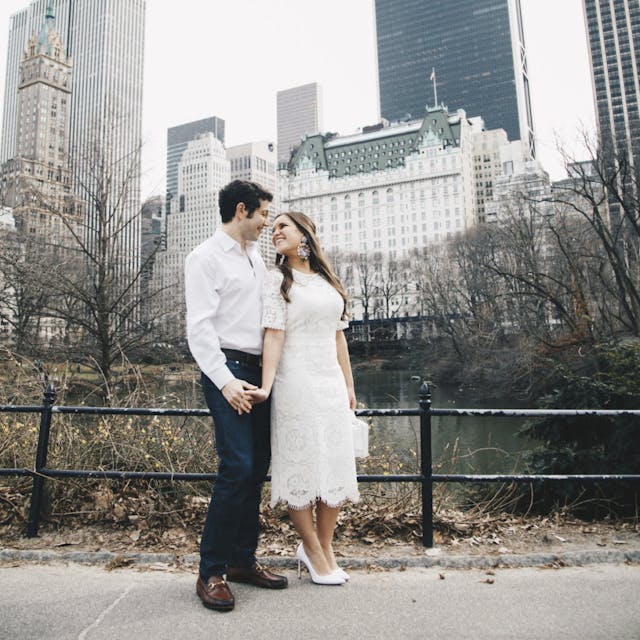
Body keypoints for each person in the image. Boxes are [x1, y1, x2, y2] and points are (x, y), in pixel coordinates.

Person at [184, 180, 288, 612]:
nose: (268, 221)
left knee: (257, 467)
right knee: (236, 465)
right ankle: (211, 571)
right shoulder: (204, 257)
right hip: (225, 369)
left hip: (258, 372)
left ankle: (243, 561)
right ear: (242, 210)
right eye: (265, 213)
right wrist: (226, 382)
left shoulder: (256, 262)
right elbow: (199, 328)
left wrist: (268, 378)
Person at [249, 211, 359, 586]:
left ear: (304, 236)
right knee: (301, 467)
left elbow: (338, 337)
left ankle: (323, 549)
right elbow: (273, 334)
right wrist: (265, 386)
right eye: (273, 226)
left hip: (330, 383)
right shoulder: (276, 279)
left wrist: (349, 386)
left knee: (334, 466)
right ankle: (311, 548)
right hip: (295, 381)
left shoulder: (329, 281)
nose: (275, 231)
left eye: (283, 226)